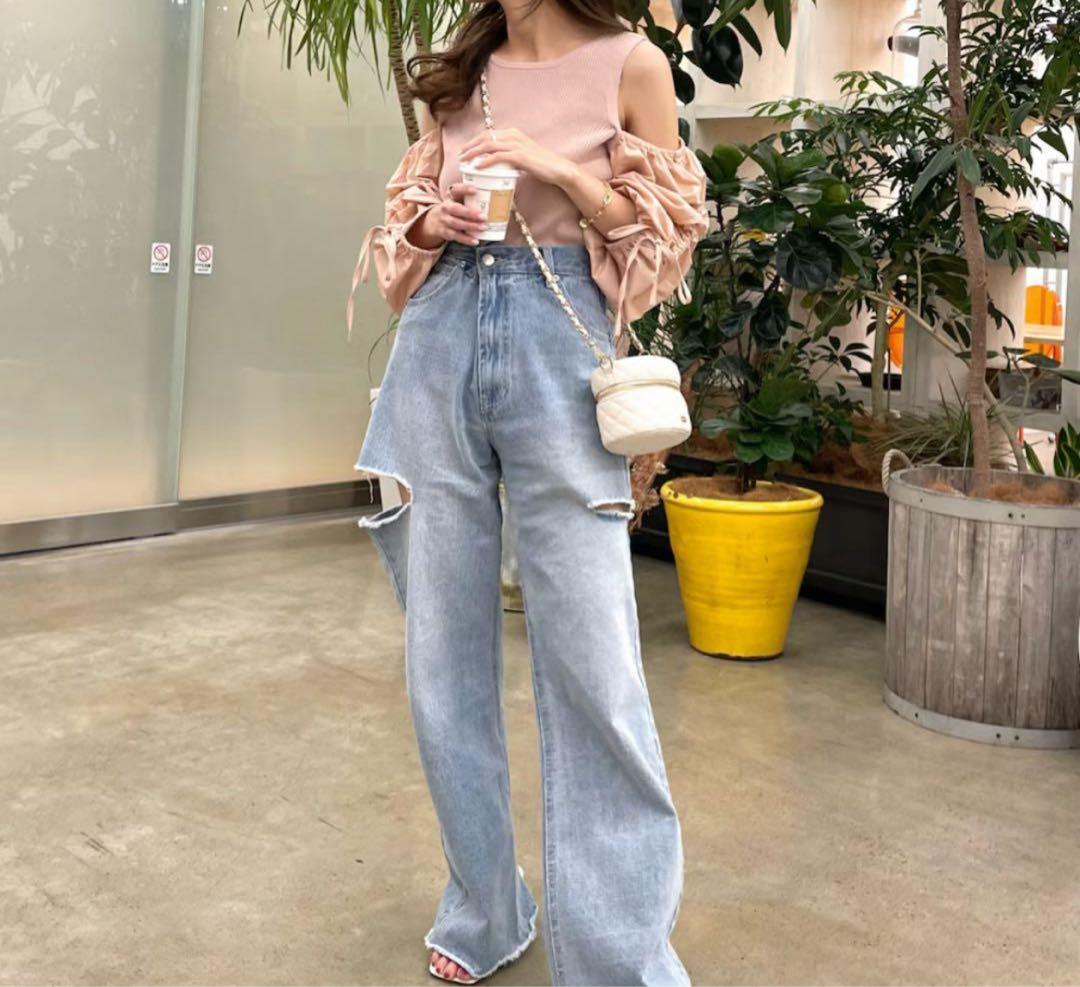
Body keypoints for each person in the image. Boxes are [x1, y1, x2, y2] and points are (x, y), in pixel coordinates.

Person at [348, 0, 708, 982]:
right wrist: (438, 219)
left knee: (596, 667)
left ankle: (620, 952)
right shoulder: (461, 76)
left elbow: (666, 240)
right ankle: (485, 907)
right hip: (440, 346)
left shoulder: (631, 63)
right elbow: (402, 243)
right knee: (442, 664)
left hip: (559, 353)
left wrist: (559, 173)